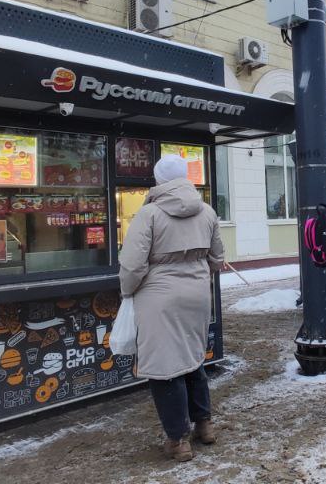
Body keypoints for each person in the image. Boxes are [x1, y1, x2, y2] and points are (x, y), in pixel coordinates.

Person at [119, 154, 226, 462]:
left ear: (159, 180)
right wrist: (196, 272)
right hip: (197, 295)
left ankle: (177, 440)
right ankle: (204, 425)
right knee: (193, 360)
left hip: (159, 298)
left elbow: (132, 265)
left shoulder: (149, 213)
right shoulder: (206, 211)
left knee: (166, 368)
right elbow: (218, 258)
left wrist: (128, 291)